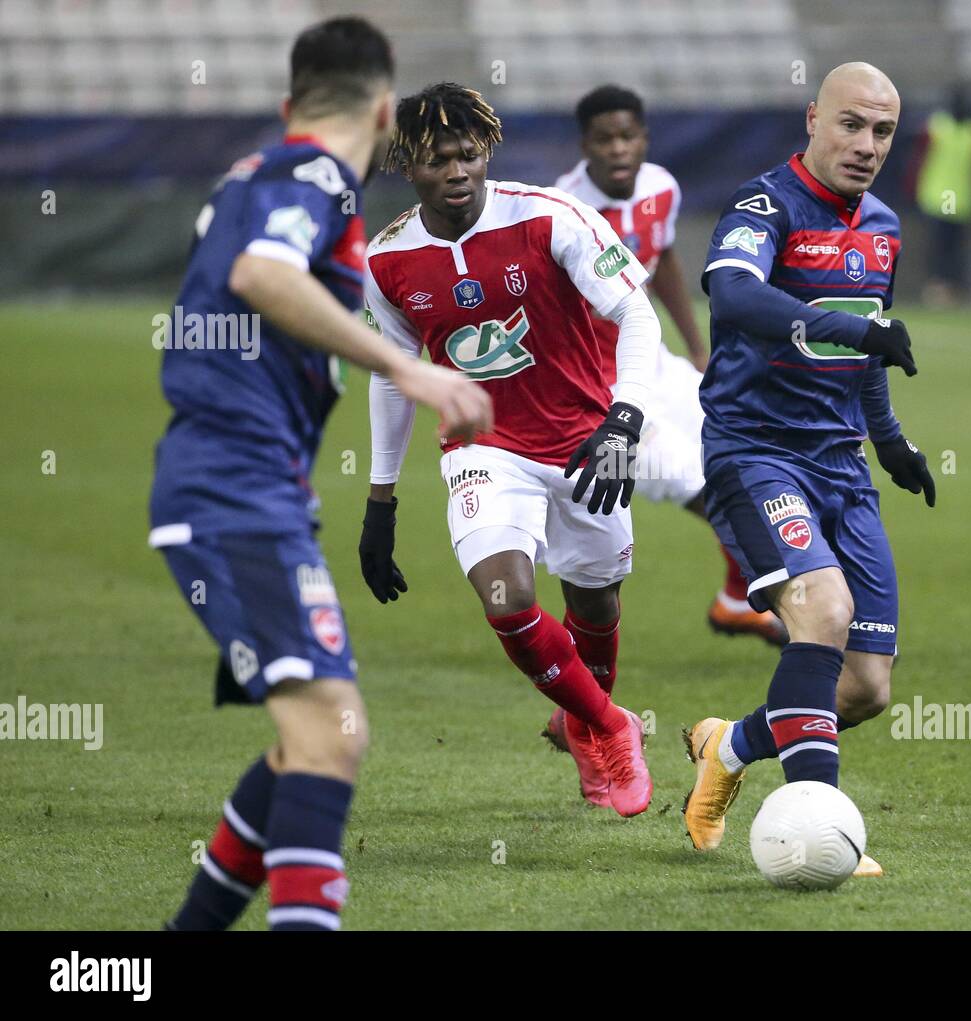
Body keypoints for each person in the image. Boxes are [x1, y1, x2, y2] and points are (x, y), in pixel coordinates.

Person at [150, 19, 493, 931]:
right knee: (332, 736)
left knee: (304, 745)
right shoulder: (313, 177)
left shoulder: (251, 177)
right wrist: (410, 368)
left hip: (241, 487)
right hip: (233, 489)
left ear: (287, 104)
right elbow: (266, 276)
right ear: (386, 111)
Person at [359, 83, 658, 815]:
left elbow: (636, 315)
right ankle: (610, 725)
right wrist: (380, 497)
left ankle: (587, 726)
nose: (457, 171)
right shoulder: (386, 259)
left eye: (469, 155)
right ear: (408, 165)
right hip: (481, 446)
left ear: (486, 153)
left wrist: (624, 422)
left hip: (587, 440)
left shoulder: (550, 217)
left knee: (595, 599)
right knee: (508, 595)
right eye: (438, 160)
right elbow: (394, 381)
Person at [681, 63, 936, 878]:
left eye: (884, 131)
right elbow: (733, 295)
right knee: (820, 608)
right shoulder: (765, 206)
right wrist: (853, 331)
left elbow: (867, 344)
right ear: (813, 119)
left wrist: (890, 440)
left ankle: (730, 744)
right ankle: (818, 829)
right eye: (851, 125)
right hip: (754, 452)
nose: (866, 145)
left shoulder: (885, 226)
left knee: (864, 687)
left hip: (842, 463)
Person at [555, 85, 788, 648]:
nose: (617, 149)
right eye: (604, 139)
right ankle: (793, 612)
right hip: (603, 391)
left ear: (644, 138)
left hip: (654, 361)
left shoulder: (662, 188)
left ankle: (737, 601)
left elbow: (662, 263)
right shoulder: (562, 210)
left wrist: (695, 345)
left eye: (627, 135)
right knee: (709, 489)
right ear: (585, 144)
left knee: (749, 450)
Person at [908, 83, 971, 304]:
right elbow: (919, 158)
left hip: (963, 199)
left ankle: (955, 289)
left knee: (958, 249)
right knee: (937, 246)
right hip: (937, 196)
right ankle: (936, 289)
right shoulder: (937, 127)